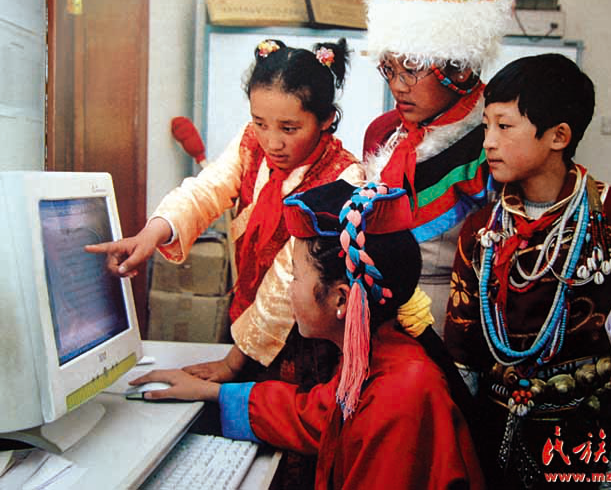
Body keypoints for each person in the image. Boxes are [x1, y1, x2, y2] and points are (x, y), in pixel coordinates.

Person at [86, 38, 364, 488]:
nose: (272, 141)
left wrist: (233, 363)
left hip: (306, 341)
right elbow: (207, 188)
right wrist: (151, 233)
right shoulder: (251, 144)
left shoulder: (343, 178)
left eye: (289, 128)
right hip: (249, 329)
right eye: (260, 123)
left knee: (288, 461)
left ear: (326, 119)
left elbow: (285, 285)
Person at [129, 180, 485, 490]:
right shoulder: (379, 356)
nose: (290, 291)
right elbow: (316, 415)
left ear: (340, 299)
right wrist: (215, 393)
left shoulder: (401, 395)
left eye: (296, 276)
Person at [444, 53, 611, 488]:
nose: (488, 142)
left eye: (504, 126)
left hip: (597, 432)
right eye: (486, 126)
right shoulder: (481, 230)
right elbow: (463, 351)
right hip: (496, 431)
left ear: (558, 136)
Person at [362, 0, 514, 337]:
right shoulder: (384, 133)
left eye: (412, 68)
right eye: (389, 68)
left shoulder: (490, 145)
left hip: (450, 318)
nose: (398, 86)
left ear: (457, 68)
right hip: (375, 310)